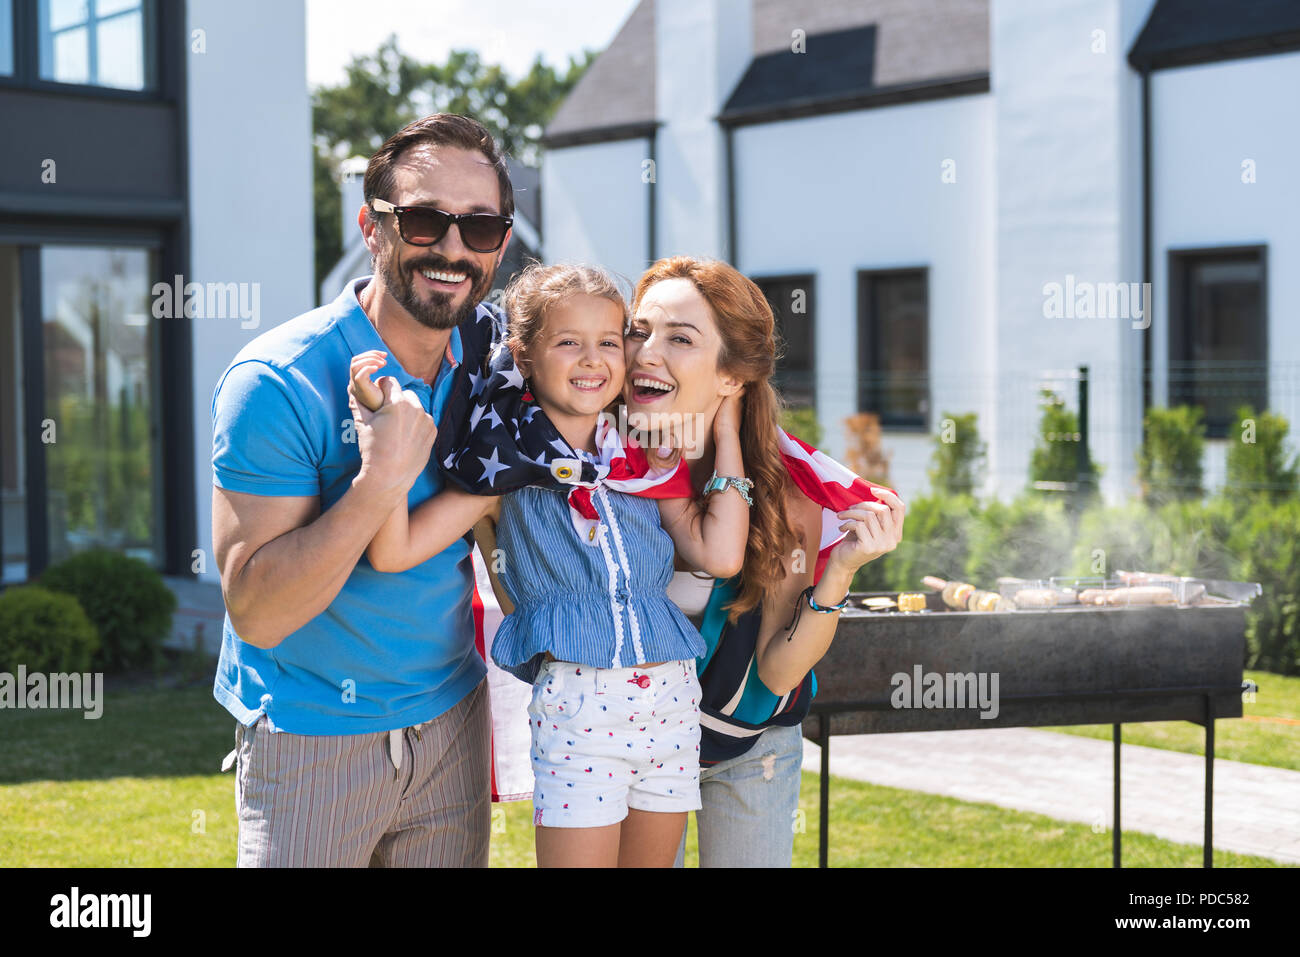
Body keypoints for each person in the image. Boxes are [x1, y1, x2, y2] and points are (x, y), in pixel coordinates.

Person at [354, 262, 752, 867]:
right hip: (580, 713)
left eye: (608, 343)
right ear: (525, 354)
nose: (592, 360)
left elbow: (720, 553)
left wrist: (727, 428)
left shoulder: (643, 455)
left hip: (670, 704)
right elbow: (392, 551)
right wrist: (382, 447)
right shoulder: (504, 470)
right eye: (568, 342)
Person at [209, 114, 515, 867]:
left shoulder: (500, 360)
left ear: (501, 244)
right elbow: (258, 610)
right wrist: (380, 481)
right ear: (372, 229)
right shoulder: (277, 381)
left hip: (451, 722)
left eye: (479, 227)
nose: (452, 247)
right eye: (423, 219)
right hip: (311, 738)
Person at [621, 256, 906, 868]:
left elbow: (777, 672)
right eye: (638, 330)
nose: (646, 351)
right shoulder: (599, 471)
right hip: (628, 738)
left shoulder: (785, 492)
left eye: (679, 338)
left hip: (746, 737)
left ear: (731, 377)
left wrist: (840, 573)